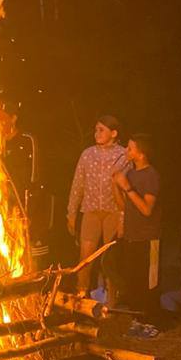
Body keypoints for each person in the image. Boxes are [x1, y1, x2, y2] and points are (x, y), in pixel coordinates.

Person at [66, 114, 128, 298]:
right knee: (85, 256)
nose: (97, 133)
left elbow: (127, 189)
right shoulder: (88, 154)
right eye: (95, 130)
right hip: (91, 211)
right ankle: (81, 293)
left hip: (113, 211)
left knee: (110, 259)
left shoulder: (123, 155)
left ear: (114, 133)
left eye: (101, 130)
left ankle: (112, 298)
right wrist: (71, 213)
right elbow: (78, 184)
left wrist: (123, 218)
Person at [112, 134, 162, 339]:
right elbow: (124, 206)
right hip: (132, 235)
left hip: (148, 237)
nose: (126, 151)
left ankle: (153, 321)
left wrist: (127, 187)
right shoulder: (131, 174)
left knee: (149, 282)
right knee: (133, 281)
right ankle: (138, 319)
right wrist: (116, 185)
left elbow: (147, 209)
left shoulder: (151, 175)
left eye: (130, 148)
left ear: (141, 154)